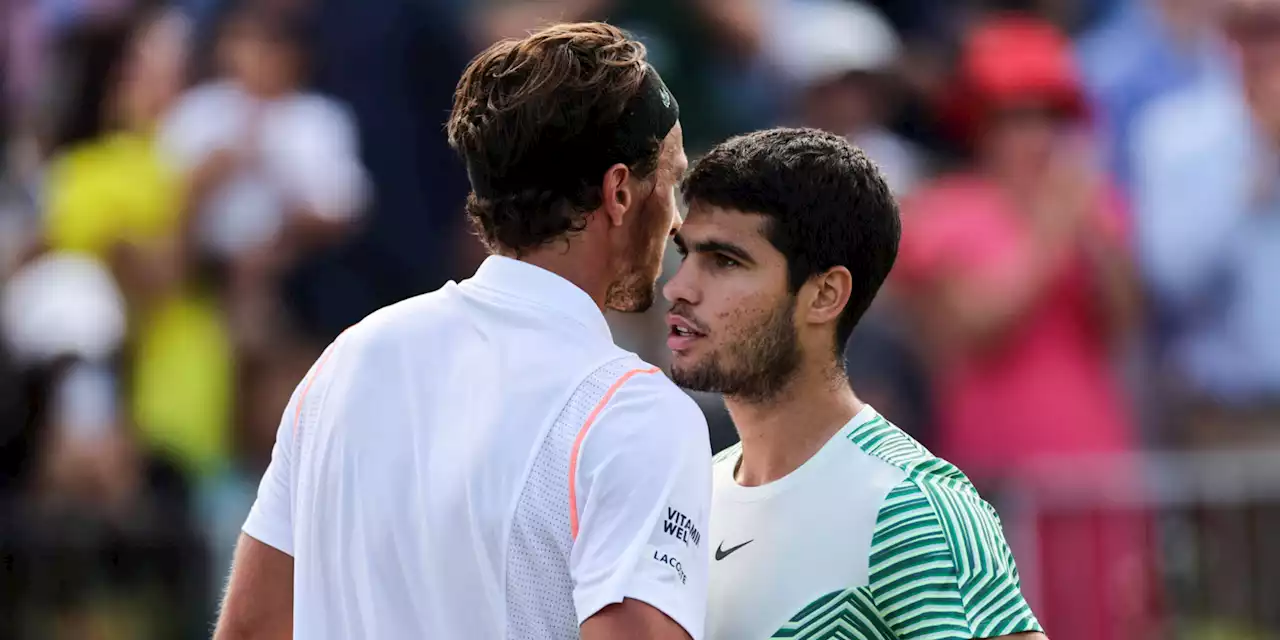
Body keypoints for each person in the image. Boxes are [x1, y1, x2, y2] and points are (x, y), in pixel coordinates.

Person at [214, 22, 710, 640]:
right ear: (618, 192)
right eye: (670, 180)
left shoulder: (345, 361)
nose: (676, 221)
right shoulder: (636, 412)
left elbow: (251, 629)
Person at [662, 127, 1046, 640]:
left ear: (824, 295)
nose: (680, 286)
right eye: (686, 255)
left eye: (726, 261)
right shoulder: (690, 491)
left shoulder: (912, 507)